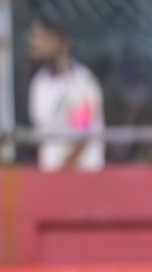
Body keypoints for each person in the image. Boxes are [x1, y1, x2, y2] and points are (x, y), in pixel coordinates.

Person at [27, 16, 104, 172]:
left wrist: (61, 176)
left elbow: (83, 136)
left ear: (62, 42)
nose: (34, 43)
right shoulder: (39, 83)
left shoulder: (81, 82)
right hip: (50, 180)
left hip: (80, 179)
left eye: (42, 37)